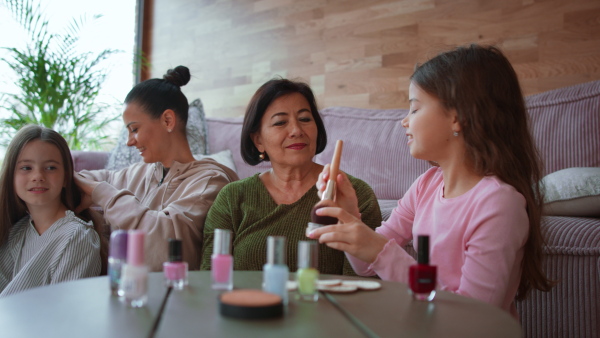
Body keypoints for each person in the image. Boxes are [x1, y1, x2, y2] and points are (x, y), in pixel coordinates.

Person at [309, 45, 553, 318]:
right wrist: (351, 216)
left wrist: (381, 250)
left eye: (414, 109)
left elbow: (474, 316)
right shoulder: (426, 185)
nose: (404, 121)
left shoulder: (498, 203)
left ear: (457, 117)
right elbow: (366, 267)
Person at [200, 78, 382, 275]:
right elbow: (210, 280)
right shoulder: (232, 197)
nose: (296, 131)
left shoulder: (354, 195)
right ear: (258, 140)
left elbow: (362, 288)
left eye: (305, 119)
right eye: (280, 122)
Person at [75, 66, 238, 271]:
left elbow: (164, 246)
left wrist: (102, 194)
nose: (129, 142)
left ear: (167, 120)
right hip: (127, 291)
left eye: (134, 129)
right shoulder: (138, 173)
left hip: (176, 296)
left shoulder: (211, 181)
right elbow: (79, 179)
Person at [0, 125, 102, 297]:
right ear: (11, 176)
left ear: (66, 177)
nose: (38, 176)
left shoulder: (77, 237)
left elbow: (63, 314)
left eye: (51, 168)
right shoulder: (16, 232)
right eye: (26, 168)